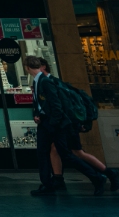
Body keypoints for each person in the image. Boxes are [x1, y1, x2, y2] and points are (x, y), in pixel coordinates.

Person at [25, 55, 108, 196]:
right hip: (46, 122)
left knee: (66, 154)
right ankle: (47, 183)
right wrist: (37, 114)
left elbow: (56, 105)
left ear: (26, 67)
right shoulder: (38, 81)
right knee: (43, 153)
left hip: (53, 124)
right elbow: (40, 103)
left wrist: (52, 123)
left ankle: (97, 177)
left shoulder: (45, 82)